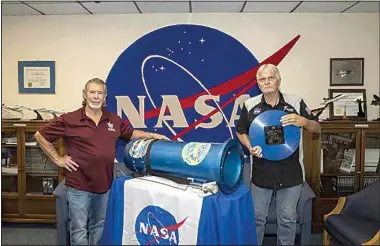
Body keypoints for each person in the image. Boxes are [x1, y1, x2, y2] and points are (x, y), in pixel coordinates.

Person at [34, 78, 169, 245]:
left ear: (105, 96)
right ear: (85, 95)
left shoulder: (113, 120)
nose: (96, 97)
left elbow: (131, 133)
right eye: (92, 92)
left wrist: (152, 135)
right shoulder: (70, 119)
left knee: (99, 226)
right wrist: (58, 159)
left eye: (100, 93)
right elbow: (40, 135)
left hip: (105, 185)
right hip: (78, 186)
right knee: (79, 229)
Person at [236, 64, 320, 245]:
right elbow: (240, 131)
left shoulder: (296, 102)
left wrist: (303, 121)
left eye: (270, 78)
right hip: (261, 173)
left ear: (279, 81)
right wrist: (250, 146)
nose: (266, 82)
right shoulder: (250, 105)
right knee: (257, 219)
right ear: (258, 83)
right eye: (262, 79)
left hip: (291, 173)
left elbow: (316, 127)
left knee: (287, 220)